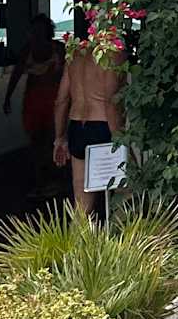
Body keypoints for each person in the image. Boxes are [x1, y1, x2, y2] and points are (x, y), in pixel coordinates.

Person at [51, 12, 124, 217]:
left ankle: (80, 239)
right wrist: (120, 138)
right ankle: (122, 238)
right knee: (123, 196)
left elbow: (61, 100)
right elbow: (110, 101)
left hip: (78, 128)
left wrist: (59, 138)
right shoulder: (113, 53)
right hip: (105, 126)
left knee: (82, 206)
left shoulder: (75, 53)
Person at [1, 14, 64, 198]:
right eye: (34, 30)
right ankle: (40, 181)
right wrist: (7, 97)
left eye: (40, 29)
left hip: (53, 101)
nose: (36, 33)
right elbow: (16, 74)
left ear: (47, 30)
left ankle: (54, 179)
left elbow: (67, 75)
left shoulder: (58, 48)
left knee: (53, 140)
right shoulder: (27, 50)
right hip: (33, 102)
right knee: (36, 142)